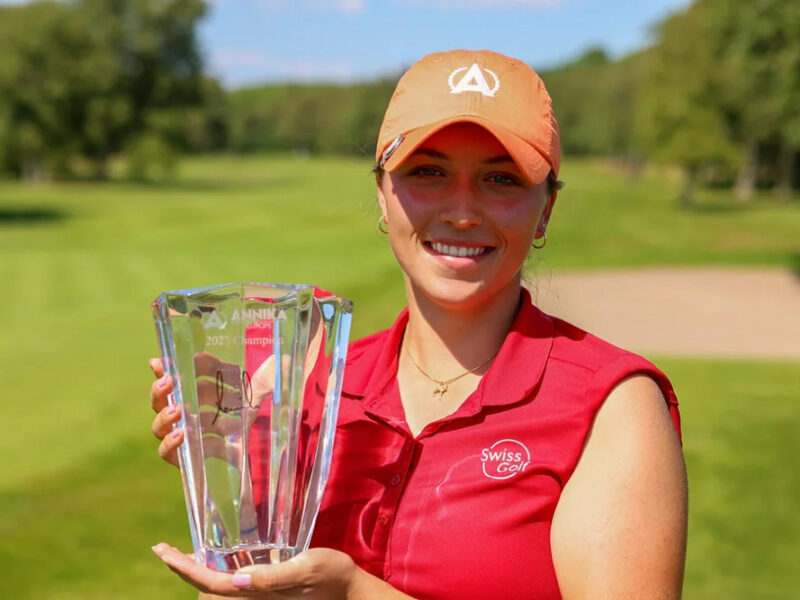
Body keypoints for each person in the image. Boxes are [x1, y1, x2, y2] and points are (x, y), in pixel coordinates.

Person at [149, 49, 687, 599]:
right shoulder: (311, 391)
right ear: (382, 194)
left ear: (545, 208)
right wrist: (241, 497)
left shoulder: (610, 405)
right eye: (428, 172)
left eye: (500, 179)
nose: (461, 210)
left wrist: (355, 594)